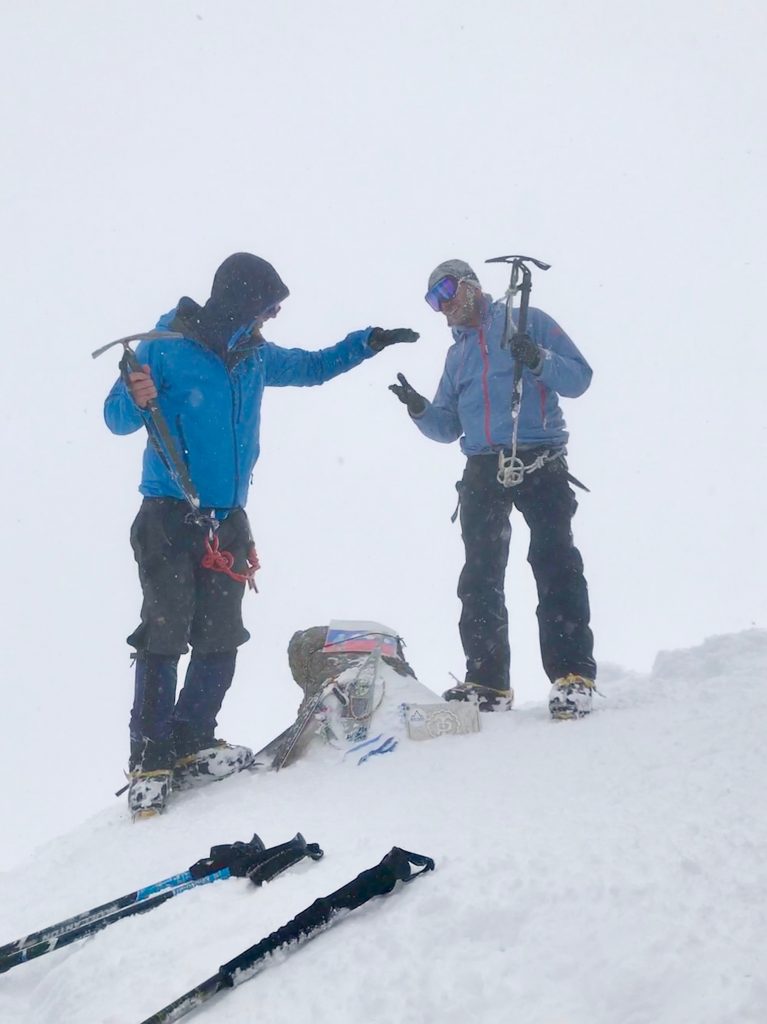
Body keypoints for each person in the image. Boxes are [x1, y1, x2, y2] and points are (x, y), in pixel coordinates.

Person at [104, 252, 418, 817]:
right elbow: (117, 419)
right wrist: (134, 394)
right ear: (243, 298)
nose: (273, 316)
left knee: (222, 636)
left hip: (227, 519)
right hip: (169, 514)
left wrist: (366, 342)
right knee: (164, 633)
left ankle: (192, 741)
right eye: (269, 304)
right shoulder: (161, 347)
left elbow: (313, 366)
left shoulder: (254, 356)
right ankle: (150, 760)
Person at [389, 258, 596, 719]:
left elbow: (579, 377)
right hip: (483, 466)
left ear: (469, 286)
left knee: (554, 561)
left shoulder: (528, 322)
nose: (442, 307)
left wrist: (538, 360)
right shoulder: (457, 356)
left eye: (445, 292)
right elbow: (447, 427)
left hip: (540, 458)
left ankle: (572, 676)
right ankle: (487, 682)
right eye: (432, 301)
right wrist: (421, 409)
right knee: (479, 575)